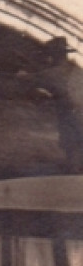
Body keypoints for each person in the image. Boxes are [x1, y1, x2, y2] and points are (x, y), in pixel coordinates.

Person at [38, 37, 83, 171]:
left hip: (71, 116)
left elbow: (32, 79)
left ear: (54, 56)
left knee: (73, 147)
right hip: (78, 113)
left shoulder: (53, 73)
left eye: (49, 55)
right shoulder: (78, 70)